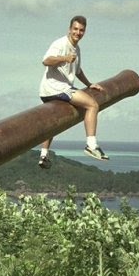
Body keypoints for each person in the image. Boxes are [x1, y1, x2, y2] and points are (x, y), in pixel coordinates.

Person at [37, 15, 109, 169]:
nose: (78, 32)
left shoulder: (77, 49)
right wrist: (64, 58)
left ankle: (44, 155)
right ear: (69, 29)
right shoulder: (60, 43)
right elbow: (46, 60)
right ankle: (91, 145)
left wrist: (89, 84)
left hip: (47, 90)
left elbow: (77, 70)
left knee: (54, 120)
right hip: (56, 88)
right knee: (92, 105)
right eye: (75, 29)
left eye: (81, 30)